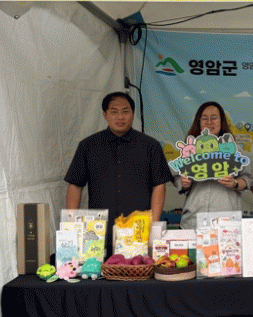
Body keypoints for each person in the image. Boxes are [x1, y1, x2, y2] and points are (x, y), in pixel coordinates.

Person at [64, 92, 172, 253]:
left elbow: (159, 186)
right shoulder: (88, 146)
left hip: (138, 232)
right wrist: (72, 226)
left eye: (125, 111)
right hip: (98, 233)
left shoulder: (150, 146)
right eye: (114, 111)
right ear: (105, 115)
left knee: (138, 268)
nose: (120, 117)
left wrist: (153, 226)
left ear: (133, 113)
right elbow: (75, 185)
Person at [175, 101, 252, 229]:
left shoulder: (234, 149)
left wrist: (235, 183)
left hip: (226, 222)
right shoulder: (189, 150)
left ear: (221, 122)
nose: (209, 122)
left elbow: (248, 178)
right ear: (198, 122)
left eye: (214, 118)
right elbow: (177, 178)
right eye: (204, 118)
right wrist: (184, 184)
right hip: (194, 220)